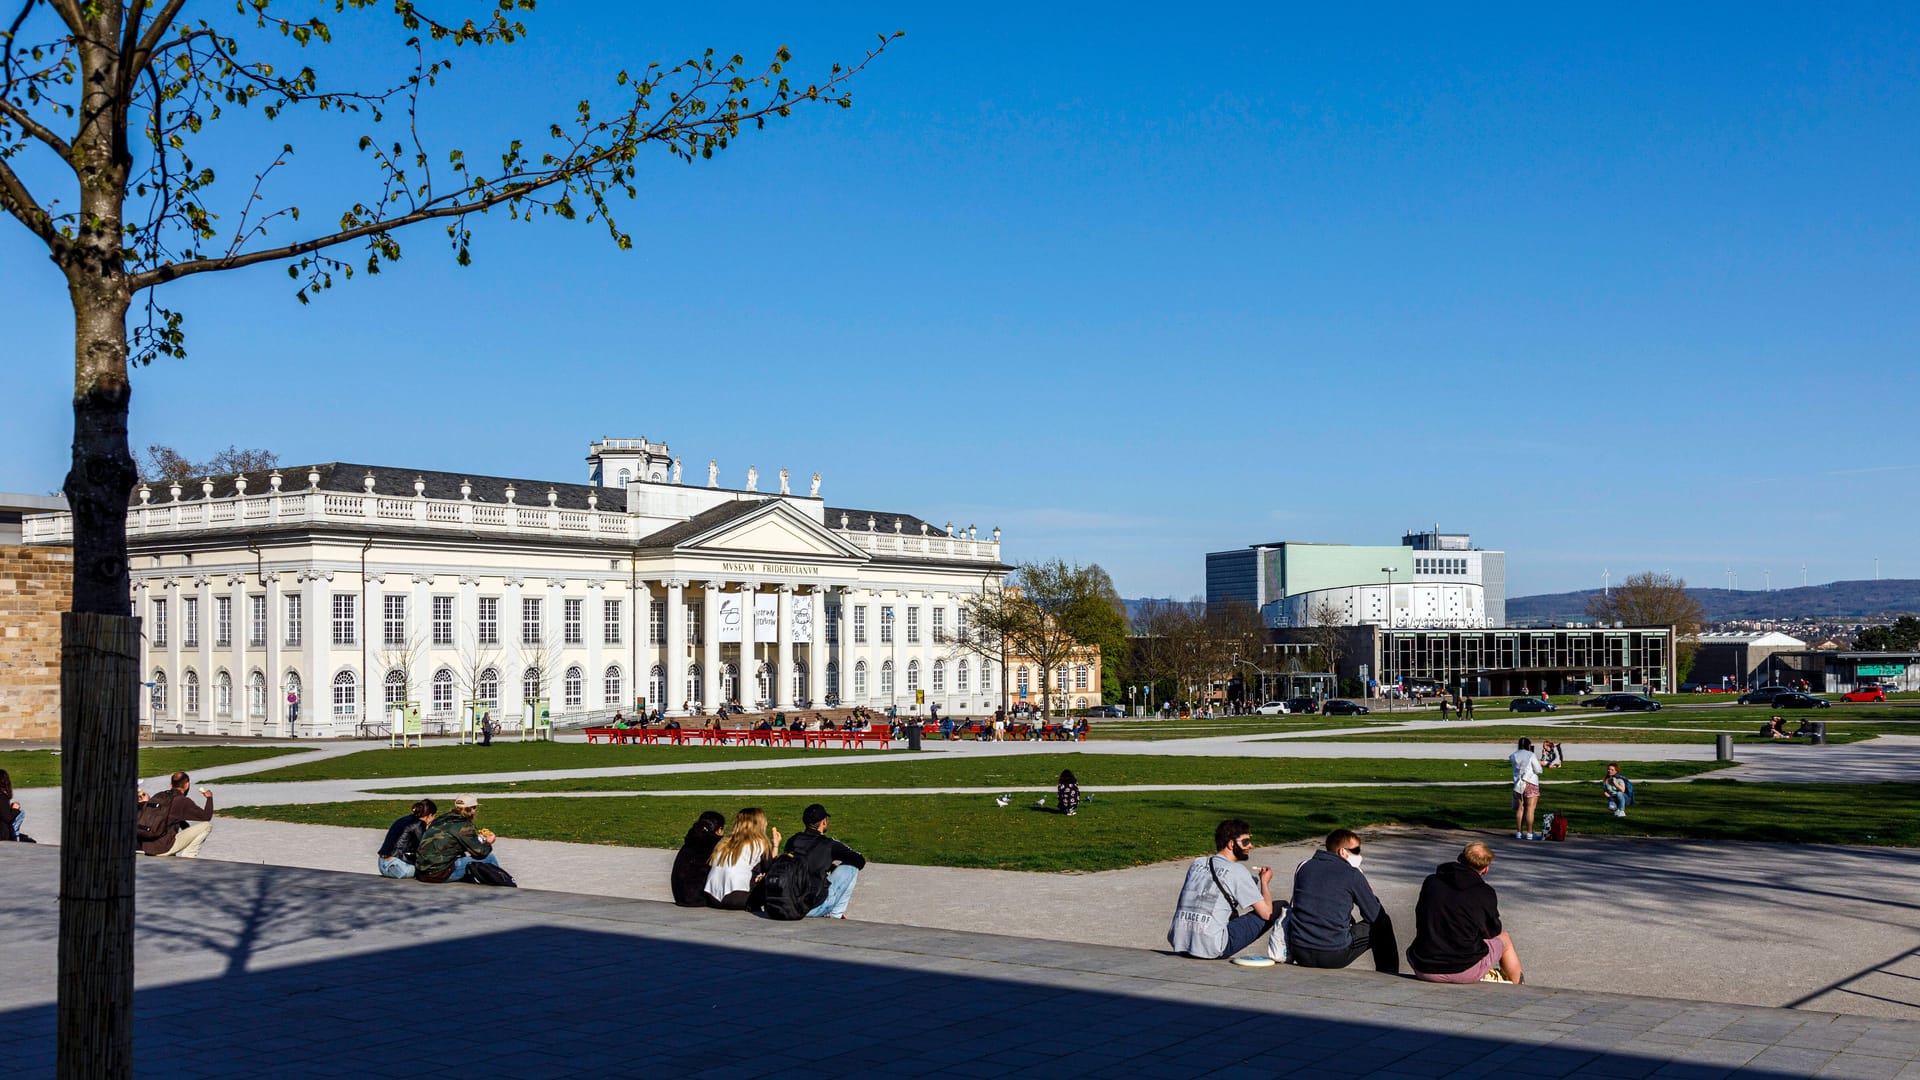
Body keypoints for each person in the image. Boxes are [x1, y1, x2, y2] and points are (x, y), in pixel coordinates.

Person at [1167, 818, 1281, 966]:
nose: (1251, 846)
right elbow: (1266, 913)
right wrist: (1264, 882)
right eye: (1245, 842)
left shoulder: (1197, 863)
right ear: (1231, 844)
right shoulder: (1237, 871)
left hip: (1180, 941)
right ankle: (1285, 953)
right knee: (1279, 907)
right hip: (1213, 947)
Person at [1407, 841, 1523, 984]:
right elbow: (1492, 931)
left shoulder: (1431, 881)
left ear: (1460, 858)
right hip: (1462, 969)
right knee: (1504, 939)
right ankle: (1518, 987)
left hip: (1423, 966)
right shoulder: (1484, 893)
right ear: (1485, 869)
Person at [1285, 829, 1399, 973]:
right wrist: (1368, 893)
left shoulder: (1304, 867)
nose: (1359, 856)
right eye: (1356, 851)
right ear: (1342, 852)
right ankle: (1389, 973)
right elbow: (1374, 915)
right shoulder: (1352, 874)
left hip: (1300, 951)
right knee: (1383, 924)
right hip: (1333, 954)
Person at [784, 803, 867, 918]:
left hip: (789, 903)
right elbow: (859, 860)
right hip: (812, 908)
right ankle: (835, 915)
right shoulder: (829, 844)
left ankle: (833, 913)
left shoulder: (792, 840)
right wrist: (830, 866)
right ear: (824, 821)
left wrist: (827, 865)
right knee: (851, 867)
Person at [414, 794, 503, 883]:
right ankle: (503, 883)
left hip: (421, 872)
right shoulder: (463, 825)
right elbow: (480, 853)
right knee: (489, 858)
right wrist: (488, 842)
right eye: (475, 808)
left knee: (462, 857)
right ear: (472, 809)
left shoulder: (441, 819)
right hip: (438, 875)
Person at [706, 807, 781, 910]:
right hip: (737, 898)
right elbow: (770, 869)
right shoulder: (760, 843)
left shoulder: (724, 842)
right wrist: (776, 846)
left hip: (712, 897)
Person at [139, 772, 215, 858]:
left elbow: (170, 817)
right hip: (163, 849)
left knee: (170, 830)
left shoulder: (159, 795)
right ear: (187, 785)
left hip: (147, 848)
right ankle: (188, 856)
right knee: (206, 826)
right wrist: (209, 798)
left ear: (171, 785)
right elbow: (206, 816)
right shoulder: (182, 800)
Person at [672, 810, 727, 906]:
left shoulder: (690, 841)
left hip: (680, 895)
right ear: (719, 829)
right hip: (699, 897)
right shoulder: (716, 844)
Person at [376, 798, 436, 878]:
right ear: (430, 815)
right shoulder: (419, 824)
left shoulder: (402, 819)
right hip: (398, 867)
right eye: (434, 816)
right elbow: (424, 848)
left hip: (382, 864)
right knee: (433, 871)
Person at [1510, 737, 1542, 840]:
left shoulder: (1513, 756)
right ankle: (1530, 833)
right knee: (1530, 809)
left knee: (1520, 808)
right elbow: (1538, 769)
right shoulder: (1531, 755)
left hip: (1518, 784)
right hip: (1530, 782)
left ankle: (1519, 832)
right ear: (1529, 745)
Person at [0, 768, 23, 841]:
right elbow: (7, 818)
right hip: (2, 834)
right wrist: (15, 809)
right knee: (21, 813)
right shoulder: (2, 796)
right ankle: (15, 837)